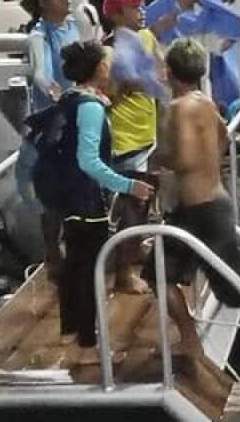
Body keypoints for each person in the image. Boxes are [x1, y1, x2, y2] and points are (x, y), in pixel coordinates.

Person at [148, 38, 240, 386]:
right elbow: (224, 140)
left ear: (170, 72)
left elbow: (184, 159)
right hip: (205, 205)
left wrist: (162, 157)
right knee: (161, 272)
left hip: (201, 210)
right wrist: (208, 162)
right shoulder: (205, 103)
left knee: (236, 288)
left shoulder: (178, 108)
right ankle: (193, 339)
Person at [33, 41, 153, 360]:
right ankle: (88, 342)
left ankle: (70, 330)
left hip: (70, 196)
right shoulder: (90, 107)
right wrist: (129, 186)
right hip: (85, 199)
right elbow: (89, 161)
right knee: (89, 268)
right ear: (99, 69)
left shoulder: (71, 98)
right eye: (108, 63)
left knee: (75, 265)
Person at [19, 0, 86, 279]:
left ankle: (77, 250)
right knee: (53, 196)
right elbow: (40, 75)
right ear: (44, 3)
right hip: (53, 124)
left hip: (77, 117)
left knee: (78, 188)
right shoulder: (39, 35)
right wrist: (58, 95)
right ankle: (51, 257)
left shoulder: (72, 26)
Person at [103, 0, 165, 295]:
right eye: (132, 8)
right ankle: (123, 274)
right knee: (130, 205)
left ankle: (133, 249)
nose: (140, 11)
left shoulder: (147, 38)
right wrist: (128, 82)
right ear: (116, 16)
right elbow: (107, 95)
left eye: (140, 6)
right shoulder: (109, 51)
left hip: (146, 133)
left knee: (141, 203)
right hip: (124, 138)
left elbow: (160, 74)